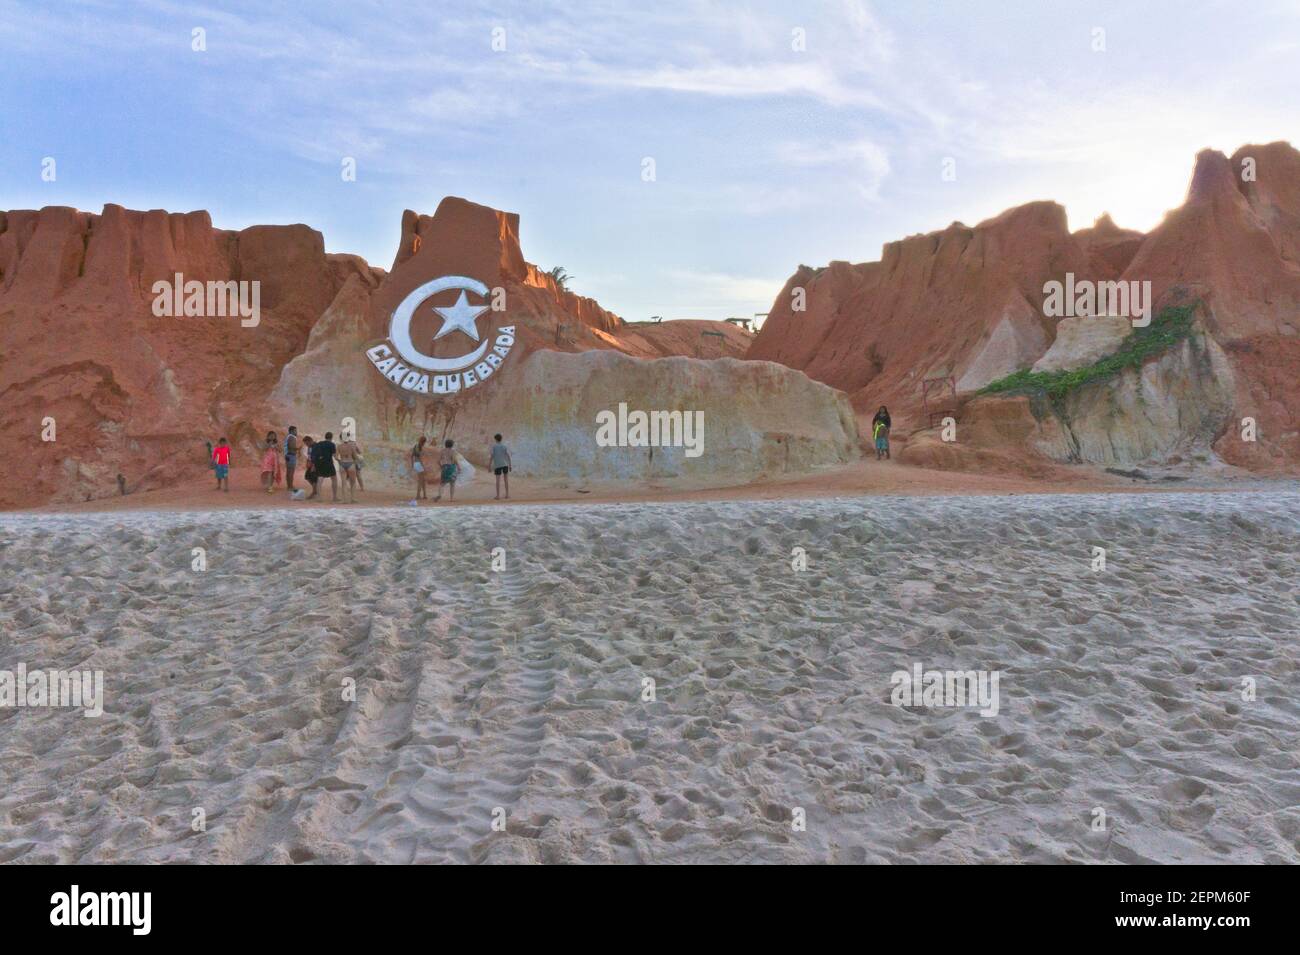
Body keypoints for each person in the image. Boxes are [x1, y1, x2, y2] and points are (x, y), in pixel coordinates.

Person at [310, 431, 339, 502]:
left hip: (320, 463)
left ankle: (319, 497)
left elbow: (314, 453)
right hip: (329, 463)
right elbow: (334, 456)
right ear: (331, 437)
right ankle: (334, 497)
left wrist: (314, 464)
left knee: (320, 480)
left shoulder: (319, 443)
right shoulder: (332, 444)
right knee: (334, 479)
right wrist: (339, 460)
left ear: (325, 437)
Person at [337, 434, 361, 503]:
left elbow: (336, 456)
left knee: (344, 483)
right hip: (351, 463)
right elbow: (356, 457)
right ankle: (353, 498)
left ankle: (344, 500)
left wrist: (339, 461)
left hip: (342, 463)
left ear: (341, 438)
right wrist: (355, 462)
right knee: (353, 482)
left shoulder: (339, 446)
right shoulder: (351, 446)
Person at [490, 433, 512, 500]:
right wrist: (510, 465)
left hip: (498, 465)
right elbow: (508, 456)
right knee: (506, 480)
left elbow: (492, 456)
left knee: (498, 481)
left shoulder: (494, 446)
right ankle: (507, 495)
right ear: (501, 439)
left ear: (496, 439)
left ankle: (498, 496)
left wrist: (489, 465)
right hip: (505, 464)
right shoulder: (504, 446)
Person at [410, 436, 428, 503]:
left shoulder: (415, 446)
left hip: (415, 464)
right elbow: (420, 458)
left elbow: (411, 456)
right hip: (419, 464)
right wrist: (423, 466)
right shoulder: (419, 447)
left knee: (422, 480)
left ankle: (424, 495)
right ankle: (418, 495)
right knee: (421, 480)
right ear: (423, 442)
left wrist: (412, 464)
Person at [284, 426, 300, 492]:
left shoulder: (288, 437)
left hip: (288, 455)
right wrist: (299, 448)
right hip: (291, 456)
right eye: (295, 430)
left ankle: (289, 485)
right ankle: (290, 486)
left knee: (289, 471)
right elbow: (292, 446)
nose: (296, 432)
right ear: (291, 431)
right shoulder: (292, 437)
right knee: (291, 471)